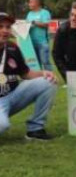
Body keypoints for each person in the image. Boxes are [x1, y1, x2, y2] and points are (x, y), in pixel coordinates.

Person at [0, 12, 58, 140]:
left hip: (12, 96)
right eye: (0, 27)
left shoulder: (12, 48)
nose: (5, 30)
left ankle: (35, 130)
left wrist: (43, 73)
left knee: (48, 81)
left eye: (8, 27)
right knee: (2, 125)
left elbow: (25, 73)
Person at [25, 0, 52, 71]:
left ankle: (51, 80)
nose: (29, 4)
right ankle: (40, 79)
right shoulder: (29, 13)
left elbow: (46, 25)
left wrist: (34, 23)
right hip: (31, 43)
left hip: (42, 42)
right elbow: (26, 24)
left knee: (45, 62)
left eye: (31, 2)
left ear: (37, 3)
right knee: (36, 63)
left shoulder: (44, 12)